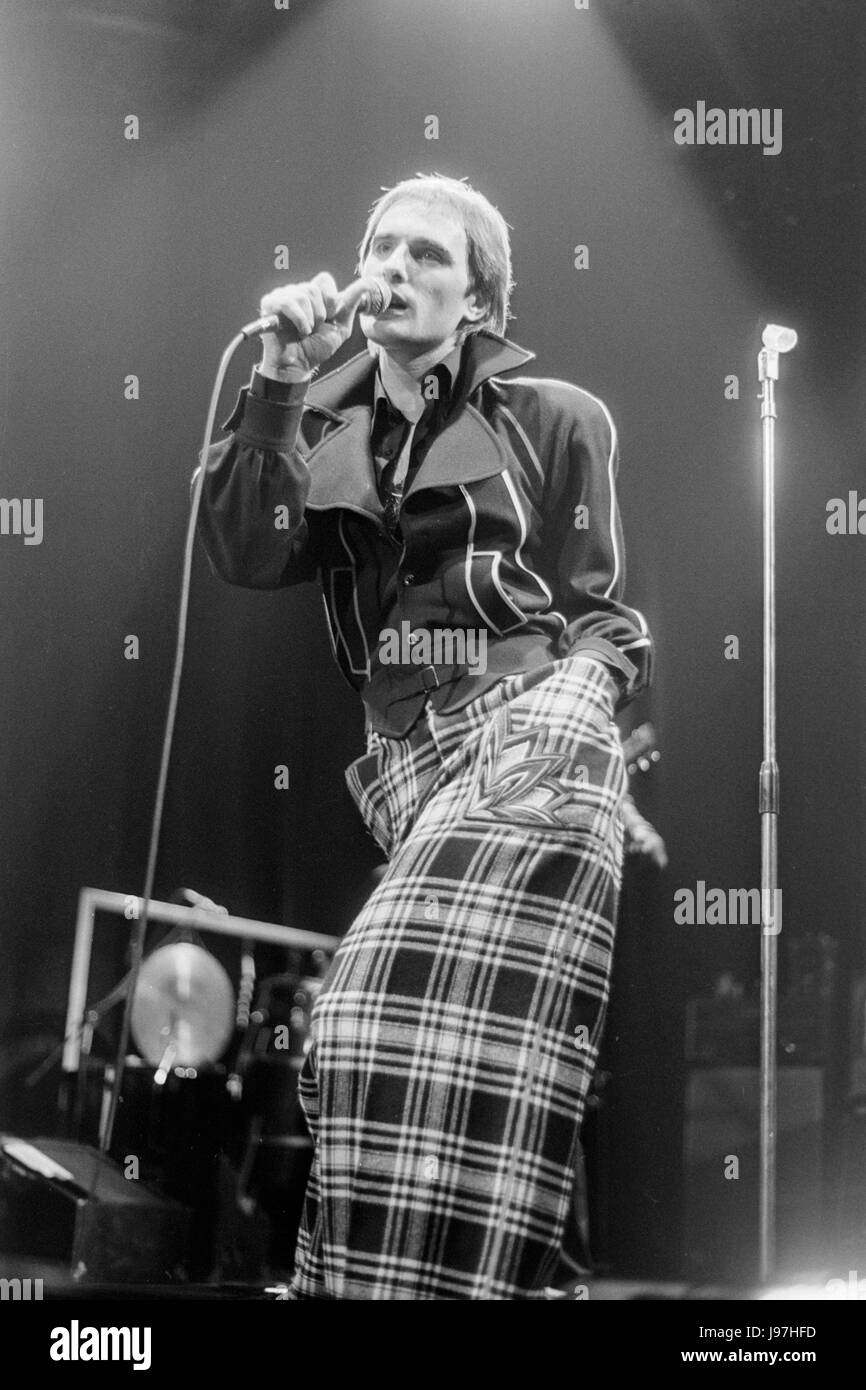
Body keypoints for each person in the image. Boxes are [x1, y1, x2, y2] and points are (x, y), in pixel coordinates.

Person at [195, 174, 653, 1299]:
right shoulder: (315, 422)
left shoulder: (555, 419)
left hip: (535, 731)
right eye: (378, 246)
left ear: (477, 297)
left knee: (355, 1015)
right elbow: (245, 552)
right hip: (410, 767)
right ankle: (530, 1283)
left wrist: (577, 705)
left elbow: (596, 615)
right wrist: (275, 375)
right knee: (487, 1064)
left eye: (424, 256)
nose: (391, 266)